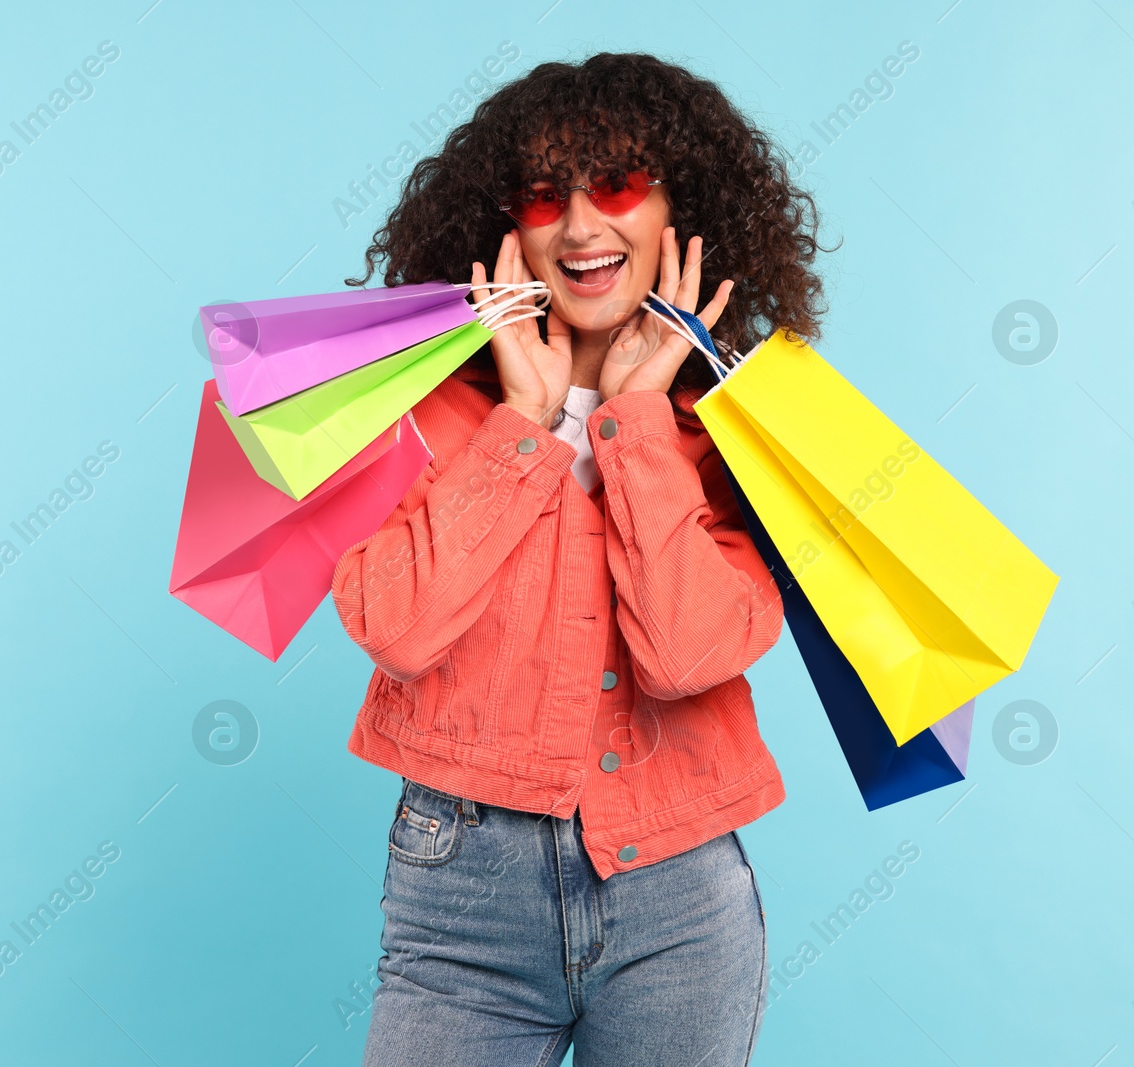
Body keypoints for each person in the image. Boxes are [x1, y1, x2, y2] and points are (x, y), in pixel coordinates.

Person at [331, 51, 828, 1067]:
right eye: (544, 193)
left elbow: (690, 655)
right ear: (505, 229)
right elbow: (397, 626)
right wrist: (526, 420)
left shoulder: (741, 436)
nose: (581, 224)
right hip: (461, 899)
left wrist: (639, 421)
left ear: (676, 214)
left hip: (679, 905)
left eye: (616, 184)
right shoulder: (427, 413)